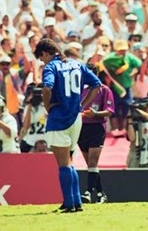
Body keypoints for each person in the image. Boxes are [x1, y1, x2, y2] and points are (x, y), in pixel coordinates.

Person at [34, 38, 101, 213]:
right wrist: (82, 104)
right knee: (69, 162)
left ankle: (70, 203)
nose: (43, 62)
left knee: (63, 164)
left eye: (42, 58)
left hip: (59, 119)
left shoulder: (51, 67)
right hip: (75, 118)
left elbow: (47, 88)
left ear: (46, 53)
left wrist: (48, 106)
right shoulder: (76, 63)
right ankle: (75, 201)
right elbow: (96, 85)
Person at [79, 63, 114, 204]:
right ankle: (101, 193)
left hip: (97, 127)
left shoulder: (104, 90)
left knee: (93, 161)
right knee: (91, 165)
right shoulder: (80, 90)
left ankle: (87, 192)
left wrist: (95, 114)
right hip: (82, 128)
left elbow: (110, 111)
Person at [20, 83, 48, 153]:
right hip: (30, 140)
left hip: (44, 140)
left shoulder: (47, 107)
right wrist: (29, 105)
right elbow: (26, 127)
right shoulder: (29, 108)